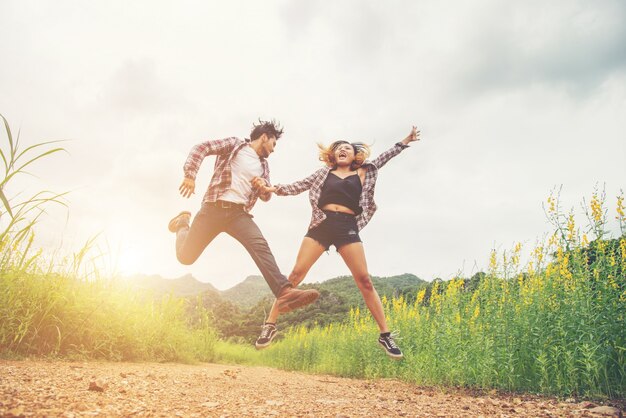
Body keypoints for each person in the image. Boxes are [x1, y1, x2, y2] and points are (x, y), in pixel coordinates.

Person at [251, 126, 421, 359]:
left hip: (347, 227)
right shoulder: (323, 173)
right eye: (339, 148)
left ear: (355, 156)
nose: (343, 149)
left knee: (365, 281)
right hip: (322, 224)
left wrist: (405, 141)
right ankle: (269, 325)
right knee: (295, 275)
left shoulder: (363, 172)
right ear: (333, 155)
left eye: (347, 148)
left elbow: (383, 157)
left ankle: (385, 335)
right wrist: (274, 188)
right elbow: (298, 186)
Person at [168, 120, 320, 314]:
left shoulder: (264, 167)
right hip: (213, 208)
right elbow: (202, 148)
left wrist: (262, 188)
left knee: (260, 245)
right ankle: (182, 223)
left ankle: (284, 291)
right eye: (274, 144)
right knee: (186, 257)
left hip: (238, 214)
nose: (273, 150)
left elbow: (266, 196)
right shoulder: (235, 145)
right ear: (264, 137)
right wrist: (190, 175)